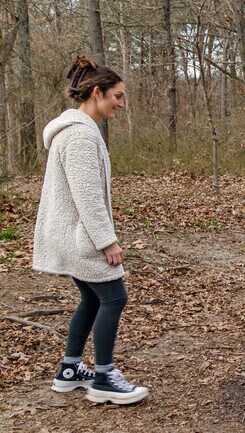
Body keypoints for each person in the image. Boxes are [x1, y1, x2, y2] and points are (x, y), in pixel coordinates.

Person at [32, 55, 148, 404]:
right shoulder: (81, 137)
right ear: (97, 92)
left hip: (66, 235)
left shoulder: (74, 131)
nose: (121, 103)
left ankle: (70, 370)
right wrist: (107, 242)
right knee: (114, 297)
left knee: (92, 298)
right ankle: (104, 378)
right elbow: (88, 197)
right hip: (81, 238)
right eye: (117, 95)